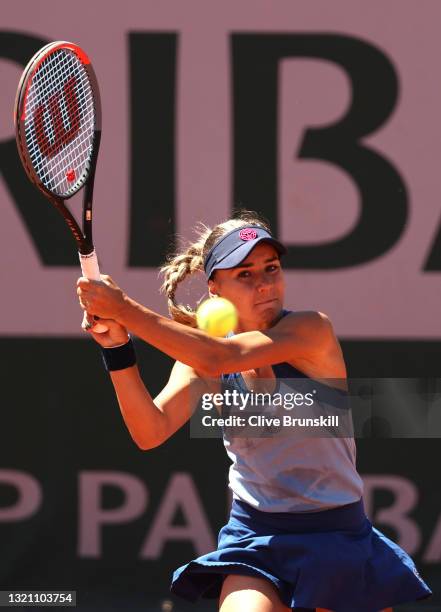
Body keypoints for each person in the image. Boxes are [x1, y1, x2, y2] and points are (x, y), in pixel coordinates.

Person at [76, 211, 431, 612]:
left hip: (338, 534)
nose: (264, 284)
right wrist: (116, 349)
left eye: (271, 269)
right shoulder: (200, 362)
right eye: (244, 274)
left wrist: (125, 309)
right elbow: (150, 431)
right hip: (257, 536)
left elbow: (222, 356)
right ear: (215, 288)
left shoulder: (311, 331)